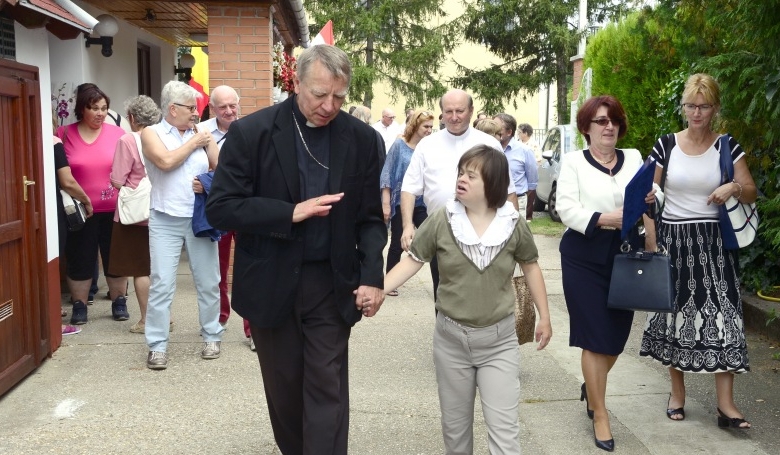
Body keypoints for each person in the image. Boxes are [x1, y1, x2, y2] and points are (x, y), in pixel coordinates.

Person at [205, 45, 387, 454]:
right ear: (296, 83)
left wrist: (373, 277)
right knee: (285, 392)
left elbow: (372, 218)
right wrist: (290, 213)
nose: (329, 106)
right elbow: (221, 207)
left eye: (339, 97)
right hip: (271, 280)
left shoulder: (361, 139)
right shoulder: (253, 133)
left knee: (327, 389)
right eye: (320, 94)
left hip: (331, 282)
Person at [383, 145, 552, 454]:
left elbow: (530, 266)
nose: (461, 179)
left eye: (471, 175)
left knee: (505, 435)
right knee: (456, 432)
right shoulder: (442, 219)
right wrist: (379, 290)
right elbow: (413, 259)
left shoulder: (513, 223)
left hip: (499, 343)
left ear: (493, 183)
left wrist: (545, 316)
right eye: (461, 172)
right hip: (451, 342)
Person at [640, 73, 756, 429]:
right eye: (690, 105)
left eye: (703, 106)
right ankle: (677, 395)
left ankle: (726, 406)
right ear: (684, 106)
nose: (696, 112)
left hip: (714, 244)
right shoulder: (666, 145)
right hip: (672, 241)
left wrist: (732, 187)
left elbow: (750, 191)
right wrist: (651, 238)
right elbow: (647, 195)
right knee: (677, 318)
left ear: (715, 109)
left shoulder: (727, 146)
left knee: (725, 318)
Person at [556, 95, 657, 452]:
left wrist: (650, 199)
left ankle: (591, 385)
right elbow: (565, 207)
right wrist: (603, 219)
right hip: (583, 254)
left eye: (613, 120)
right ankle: (600, 414)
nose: (608, 126)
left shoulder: (632, 158)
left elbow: (650, 192)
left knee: (614, 338)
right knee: (593, 335)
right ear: (586, 128)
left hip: (624, 255)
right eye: (600, 121)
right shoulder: (573, 163)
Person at [400, 89, 515, 301]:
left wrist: (511, 230)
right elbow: (409, 187)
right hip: (441, 231)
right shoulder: (427, 145)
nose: (454, 117)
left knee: (482, 293)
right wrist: (408, 225)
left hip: (484, 232)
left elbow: (508, 192)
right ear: (441, 113)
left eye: (460, 111)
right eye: (448, 111)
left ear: (471, 111)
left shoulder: (489, 144)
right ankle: (446, 332)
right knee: (443, 292)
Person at [141, 80, 222, 370]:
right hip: (165, 217)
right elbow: (164, 162)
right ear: (172, 109)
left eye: (196, 108)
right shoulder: (151, 133)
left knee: (208, 281)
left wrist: (207, 179)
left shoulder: (201, 133)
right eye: (190, 108)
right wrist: (195, 142)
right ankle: (157, 346)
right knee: (162, 283)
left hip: (199, 217)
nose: (195, 113)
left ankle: (212, 335)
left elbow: (220, 168)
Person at [56, 85, 128, 325]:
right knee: (80, 258)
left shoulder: (118, 134)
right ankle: (80, 305)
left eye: (104, 108)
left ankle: (119, 301)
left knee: (116, 257)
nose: (100, 113)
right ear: (81, 109)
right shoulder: (65, 133)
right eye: (94, 108)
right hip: (79, 212)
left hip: (115, 210)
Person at [196, 85, 253, 348]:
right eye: (222, 107)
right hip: (217, 209)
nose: (229, 111)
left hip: (247, 209)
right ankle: (218, 319)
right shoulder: (201, 132)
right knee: (215, 270)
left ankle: (253, 328)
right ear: (212, 107)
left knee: (251, 268)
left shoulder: (253, 130)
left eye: (233, 105)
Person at [108, 95, 162, 334]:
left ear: (131, 117)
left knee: (141, 269)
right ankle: (164, 317)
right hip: (162, 209)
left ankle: (147, 320)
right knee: (160, 269)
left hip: (136, 216)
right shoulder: (162, 137)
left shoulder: (127, 140)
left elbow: (118, 180)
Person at [380, 109, 434, 297]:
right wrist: (386, 203)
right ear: (415, 126)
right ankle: (390, 280)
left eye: (431, 127)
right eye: (426, 126)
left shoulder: (429, 147)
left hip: (423, 203)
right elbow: (386, 174)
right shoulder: (399, 145)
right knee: (397, 242)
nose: (429, 130)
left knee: (434, 237)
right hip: (399, 202)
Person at [53, 133, 92, 336]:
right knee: (49, 264)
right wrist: (86, 200)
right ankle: (51, 321)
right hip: (51, 212)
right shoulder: (53, 143)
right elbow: (67, 181)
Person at [494, 113, 538, 220]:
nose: (493, 129)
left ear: (509, 132)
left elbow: (532, 181)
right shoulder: (489, 149)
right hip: (493, 201)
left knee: (516, 234)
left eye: (497, 127)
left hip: (517, 200)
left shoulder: (525, 151)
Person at [518, 122, 541, 222]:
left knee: (530, 196)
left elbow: (537, 161)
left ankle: (528, 217)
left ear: (525, 133)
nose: (518, 134)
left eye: (519, 132)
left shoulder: (534, 145)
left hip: (529, 174)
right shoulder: (518, 143)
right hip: (520, 173)